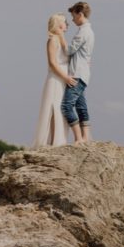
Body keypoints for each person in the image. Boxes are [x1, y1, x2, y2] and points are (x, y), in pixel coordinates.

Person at [33, 13, 78, 147]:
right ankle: (53, 141)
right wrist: (66, 78)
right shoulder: (52, 40)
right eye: (65, 22)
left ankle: (58, 139)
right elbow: (52, 63)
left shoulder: (61, 39)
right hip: (56, 80)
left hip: (64, 79)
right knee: (54, 108)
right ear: (59, 24)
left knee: (60, 109)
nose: (67, 25)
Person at [61, 1, 95, 144]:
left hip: (77, 73)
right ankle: (86, 137)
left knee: (66, 106)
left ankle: (79, 138)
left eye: (74, 15)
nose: (72, 19)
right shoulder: (89, 31)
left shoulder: (83, 32)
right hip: (84, 73)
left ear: (80, 14)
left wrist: (60, 36)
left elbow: (69, 50)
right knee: (81, 106)